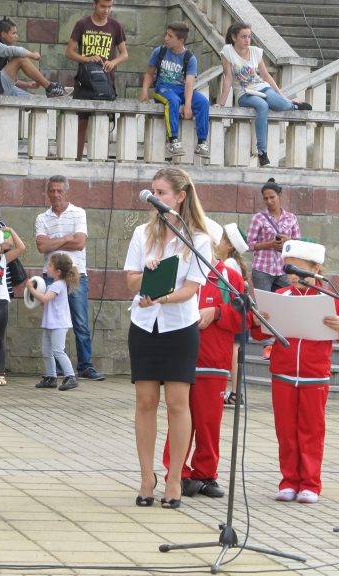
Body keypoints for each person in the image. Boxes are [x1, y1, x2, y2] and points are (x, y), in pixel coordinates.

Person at [123, 167, 211, 509]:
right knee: (145, 401)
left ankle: (175, 477)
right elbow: (130, 280)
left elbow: (191, 290)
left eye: (161, 193)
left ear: (179, 197)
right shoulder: (142, 234)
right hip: (145, 325)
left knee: (177, 403)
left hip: (179, 327)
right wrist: (149, 277)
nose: (155, 198)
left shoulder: (197, 238)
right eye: (154, 192)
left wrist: (162, 296)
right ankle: (147, 477)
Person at [251, 240, 339, 504]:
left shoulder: (329, 300)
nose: (293, 276)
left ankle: (310, 483)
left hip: (315, 376)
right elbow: (258, 332)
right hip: (283, 374)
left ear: (316, 269)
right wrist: (257, 320)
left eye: (299, 271)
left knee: (311, 431)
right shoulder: (282, 296)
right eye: (289, 270)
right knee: (286, 430)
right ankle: (289, 481)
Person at [161, 219, 245, 499]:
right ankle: (177, 473)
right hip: (182, 359)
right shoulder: (179, 271)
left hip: (213, 362)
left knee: (209, 423)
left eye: (209, 244)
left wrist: (218, 314)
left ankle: (205, 475)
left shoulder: (228, 277)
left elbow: (243, 318)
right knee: (179, 419)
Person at [35, 175, 105, 381]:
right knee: (53, 320)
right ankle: (56, 368)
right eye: (52, 191)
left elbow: (80, 243)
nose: (56, 195)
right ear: (47, 192)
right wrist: (67, 237)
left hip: (76, 274)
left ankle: (85, 365)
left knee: (80, 321)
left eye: (59, 191)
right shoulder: (42, 217)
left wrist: (54, 241)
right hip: (51, 275)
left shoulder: (78, 213)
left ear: (67, 192)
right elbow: (41, 247)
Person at [216, 22, 311, 167]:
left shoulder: (255, 52)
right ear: (234, 37)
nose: (247, 40)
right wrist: (221, 103)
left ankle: (294, 105)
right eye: (243, 37)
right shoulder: (228, 51)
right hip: (244, 93)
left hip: (261, 87)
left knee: (281, 104)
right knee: (262, 106)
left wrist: (282, 96)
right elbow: (228, 77)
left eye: (249, 37)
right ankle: (262, 152)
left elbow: (266, 76)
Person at [65, 0, 128, 160]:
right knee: (81, 124)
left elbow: (124, 54)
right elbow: (69, 52)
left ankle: (100, 159)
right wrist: (86, 58)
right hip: (84, 81)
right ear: (94, 5)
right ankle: (77, 159)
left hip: (105, 83)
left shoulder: (116, 26)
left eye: (109, 7)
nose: (106, 10)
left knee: (102, 124)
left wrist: (113, 62)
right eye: (103, 6)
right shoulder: (82, 24)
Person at [139, 22, 210, 159]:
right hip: (163, 88)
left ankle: (202, 142)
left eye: (170, 36)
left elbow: (189, 83)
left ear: (180, 40)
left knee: (203, 102)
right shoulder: (160, 52)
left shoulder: (190, 58)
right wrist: (144, 91)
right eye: (166, 34)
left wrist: (188, 105)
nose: (166, 38)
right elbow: (149, 73)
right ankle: (173, 140)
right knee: (173, 100)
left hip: (182, 89)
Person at [0, 17, 66, 98]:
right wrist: (34, 55)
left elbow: (8, 79)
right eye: (13, 33)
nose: (16, 37)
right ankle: (50, 87)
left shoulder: (0, 49)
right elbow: (16, 51)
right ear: (3, 34)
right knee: (20, 59)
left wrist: (28, 85)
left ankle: (56, 93)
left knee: (34, 101)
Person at [28, 253, 80, 392]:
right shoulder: (56, 284)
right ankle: (51, 376)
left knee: (58, 350)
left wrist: (31, 289)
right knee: (47, 351)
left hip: (58, 324)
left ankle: (70, 376)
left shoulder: (57, 285)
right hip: (51, 323)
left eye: (50, 265)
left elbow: (45, 299)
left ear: (58, 271)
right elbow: (46, 302)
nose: (47, 267)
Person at [0, 222, 25, 386]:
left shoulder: (4, 259)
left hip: (1, 302)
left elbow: (21, 247)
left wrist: (10, 230)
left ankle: (1, 374)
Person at [247, 178, 300, 292]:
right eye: (266, 198)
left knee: (288, 301)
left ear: (279, 195)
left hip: (284, 269)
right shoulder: (258, 218)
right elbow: (249, 245)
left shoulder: (291, 218)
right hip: (262, 269)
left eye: (272, 197)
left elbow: (298, 243)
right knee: (265, 307)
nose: (269, 201)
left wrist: (288, 241)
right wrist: (270, 244)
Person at [217, 223, 250, 406]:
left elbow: (225, 291)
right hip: (238, 312)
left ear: (229, 246)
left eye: (222, 240)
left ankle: (237, 394)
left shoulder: (228, 264)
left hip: (234, 311)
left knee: (234, 351)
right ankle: (236, 393)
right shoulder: (235, 263)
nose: (218, 243)